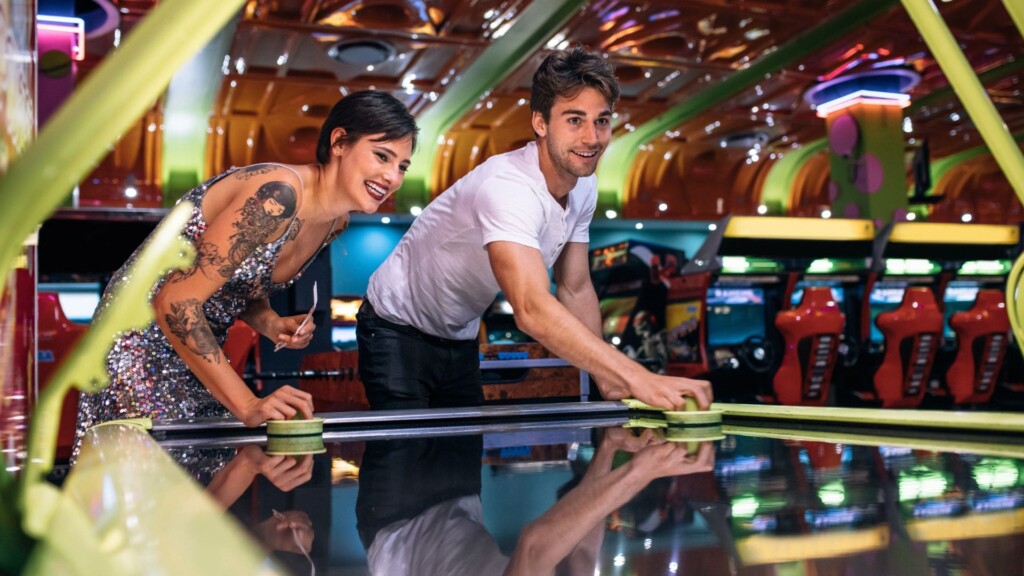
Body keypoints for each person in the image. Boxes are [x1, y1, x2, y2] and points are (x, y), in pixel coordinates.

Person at [358, 46, 711, 411]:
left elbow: (575, 286)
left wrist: (609, 381)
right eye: (574, 120)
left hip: (459, 337)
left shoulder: (584, 185)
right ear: (540, 123)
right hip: (394, 326)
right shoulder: (507, 186)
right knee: (403, 462)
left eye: (602, 121)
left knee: (460, 460)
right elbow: (530, 307)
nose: (592, 138)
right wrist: (637, 376)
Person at [74, 90, 419, 461]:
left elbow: (241, 283)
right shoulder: (278, 192)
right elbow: (175, 300)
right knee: (146, 485)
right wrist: (249, 404)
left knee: (194, 485)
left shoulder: (336, 222)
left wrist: (271, 323)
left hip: (199, 345)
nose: (392, 177)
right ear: (338, 142)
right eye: (382, 156)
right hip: (139, 341)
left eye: (402, 166)